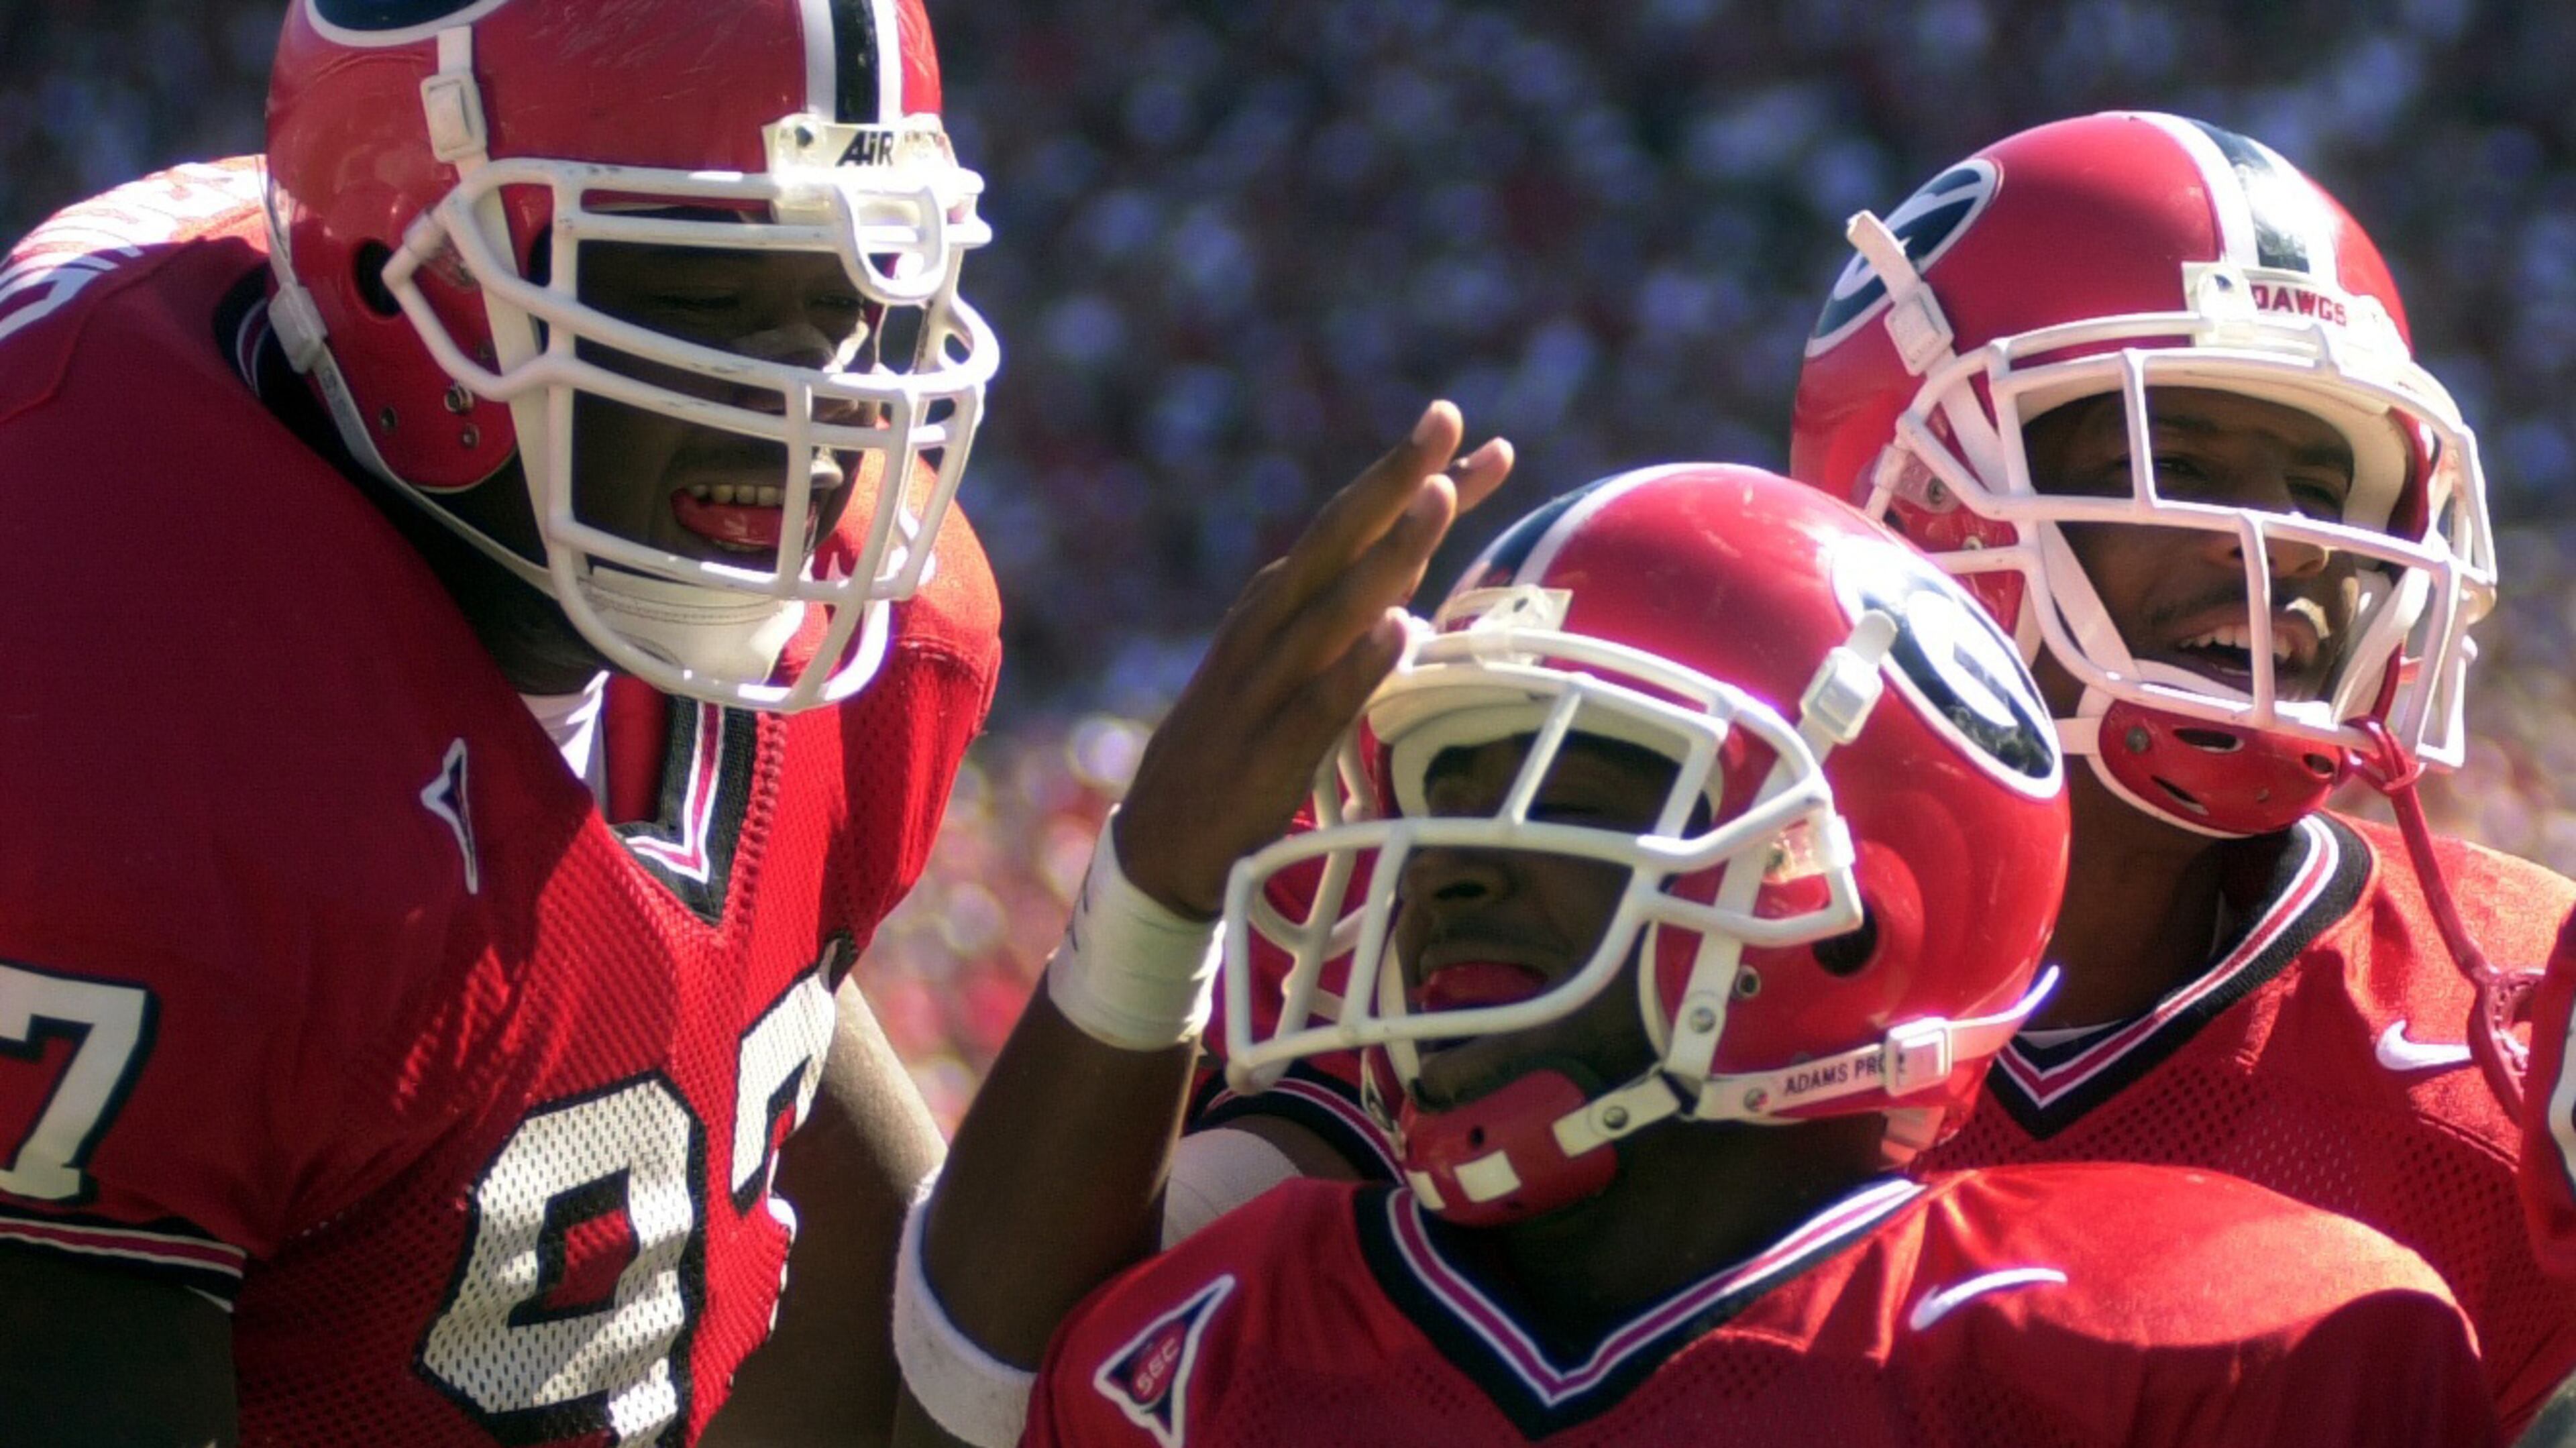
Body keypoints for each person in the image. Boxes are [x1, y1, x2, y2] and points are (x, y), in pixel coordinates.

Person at [898, 457, 2500, 1447]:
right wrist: (1152, 896)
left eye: (1572, 798)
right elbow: (957, 1384)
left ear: (1860, 904)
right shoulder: (1207, 1346)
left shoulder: (2201, 1352)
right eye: (1447, 798)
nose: (1455, 873)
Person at [0, 1, 999, 1443]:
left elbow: (877, 1333)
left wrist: (1144, 930)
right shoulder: (116, 688)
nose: (811, 399)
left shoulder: (880, 643)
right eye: (707, 299)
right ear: (414, 291)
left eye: (850, 290)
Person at [1787, 109, 2576, 1437]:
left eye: (2325, 492)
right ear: (1921, 506)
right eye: (2183, 461)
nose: (2283, 546)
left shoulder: (2521, 1017)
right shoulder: (1680, 974)